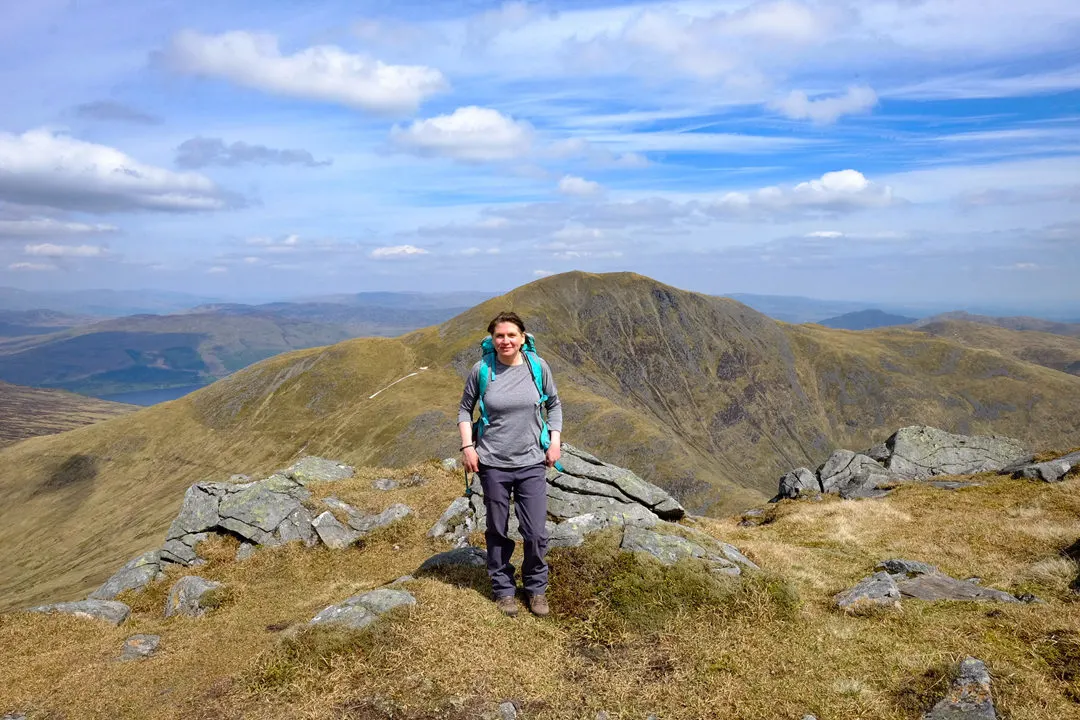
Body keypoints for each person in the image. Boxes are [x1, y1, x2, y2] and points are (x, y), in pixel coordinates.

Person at [458, 311, 562, 617]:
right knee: (497, 528)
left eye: (511, 335)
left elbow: (554, 404)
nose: (505, 341)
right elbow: (465, 410)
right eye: (499, 336)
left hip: (531, 460)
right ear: (492, 339)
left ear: (523, 337)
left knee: (535, 532)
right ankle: (503, 588)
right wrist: (468, 447)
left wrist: (554, 442)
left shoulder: (536, 367)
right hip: (492, 462)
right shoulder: (482, 370)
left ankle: (535, 588)